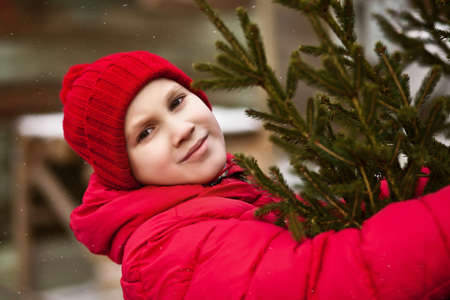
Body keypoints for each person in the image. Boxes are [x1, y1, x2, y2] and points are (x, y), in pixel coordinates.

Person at [60, 51, 450, 300]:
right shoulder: (173, 250)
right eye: (146, 132)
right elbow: (331, 276)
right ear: (124, 170)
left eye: (177, 102)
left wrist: (425, 177)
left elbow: (332, 217)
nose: (180, 129)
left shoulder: (222, 196)